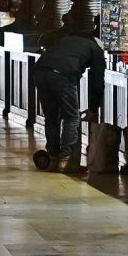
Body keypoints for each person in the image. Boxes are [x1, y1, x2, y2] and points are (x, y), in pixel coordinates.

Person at [33, 25, 105, 173]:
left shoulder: (67, 40)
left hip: (40, 71)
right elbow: (97, 83)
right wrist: (93, 108)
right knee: (72, 117)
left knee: (51, 116)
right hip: (63, 75)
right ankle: (66, 160)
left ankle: (52, 156)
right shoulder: (96, 49)